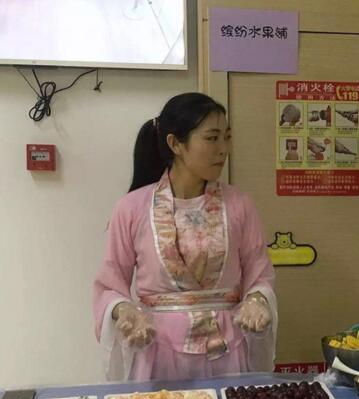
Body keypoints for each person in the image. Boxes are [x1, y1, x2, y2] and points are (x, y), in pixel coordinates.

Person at [93, 92, 278, 382]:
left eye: (227, 137)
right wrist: (124, 310)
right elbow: (109, 284)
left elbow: (259, 274)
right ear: (175, 144)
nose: (223, 149)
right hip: (158, 351)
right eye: (212, 138)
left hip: (228, 349)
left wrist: (257, 299)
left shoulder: (240, 205)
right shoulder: (131, 209)